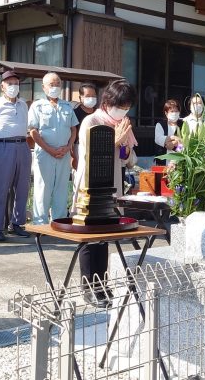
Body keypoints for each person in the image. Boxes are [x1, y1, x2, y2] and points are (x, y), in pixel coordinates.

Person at [72, 79, 137, 308]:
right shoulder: (92, 120)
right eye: (120, 105)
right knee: (91, 236)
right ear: (108, 102)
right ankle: (89, 287)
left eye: (127, 106)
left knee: (105, 235)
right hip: (91, 186)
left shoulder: (123, 123)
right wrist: (115, 140)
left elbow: (128, 160)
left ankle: (102, 284)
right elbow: (92, 156)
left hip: (112, 185)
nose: (123, 111)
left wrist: (124, 146)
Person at [0, 70, 31, 241]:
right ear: (2, 86)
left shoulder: (23, 104)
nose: (13, 86)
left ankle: (17, 223)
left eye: (16, 83)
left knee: (22, 188)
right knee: (0, 188)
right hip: (2, 146)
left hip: (23, 146)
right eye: (9, 83)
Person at [28, 72, 78, 225]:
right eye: (51, 84)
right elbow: (33, 131)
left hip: (63, 154)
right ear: (43, 87)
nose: (55, 87)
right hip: (44, 153)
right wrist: (49, 149)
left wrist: (68, 147)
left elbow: (73, 129)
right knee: (43, 188)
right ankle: (40, 223)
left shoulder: (67, 106)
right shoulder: (37, 106)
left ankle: (59, 221)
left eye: (57, 84)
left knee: (62, 188)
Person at [71, 82, 98, 170]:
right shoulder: (74, 113)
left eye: (93, 96)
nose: (91, 98)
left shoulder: (99, 113)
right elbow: (71, 134)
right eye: (88, 96)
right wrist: (73, 156)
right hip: (79, 147)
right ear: (80, 97)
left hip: (97, 147)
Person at [154, 99, 183, 165]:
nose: (174, 113)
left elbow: (184, 144)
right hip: (162, 163)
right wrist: (175, 138)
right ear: (166, 113)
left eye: (176, 111)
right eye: (172, 111)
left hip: (178, 163)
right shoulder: (160, 125)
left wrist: (175, 145)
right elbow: (158, 139)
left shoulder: (182, 125)